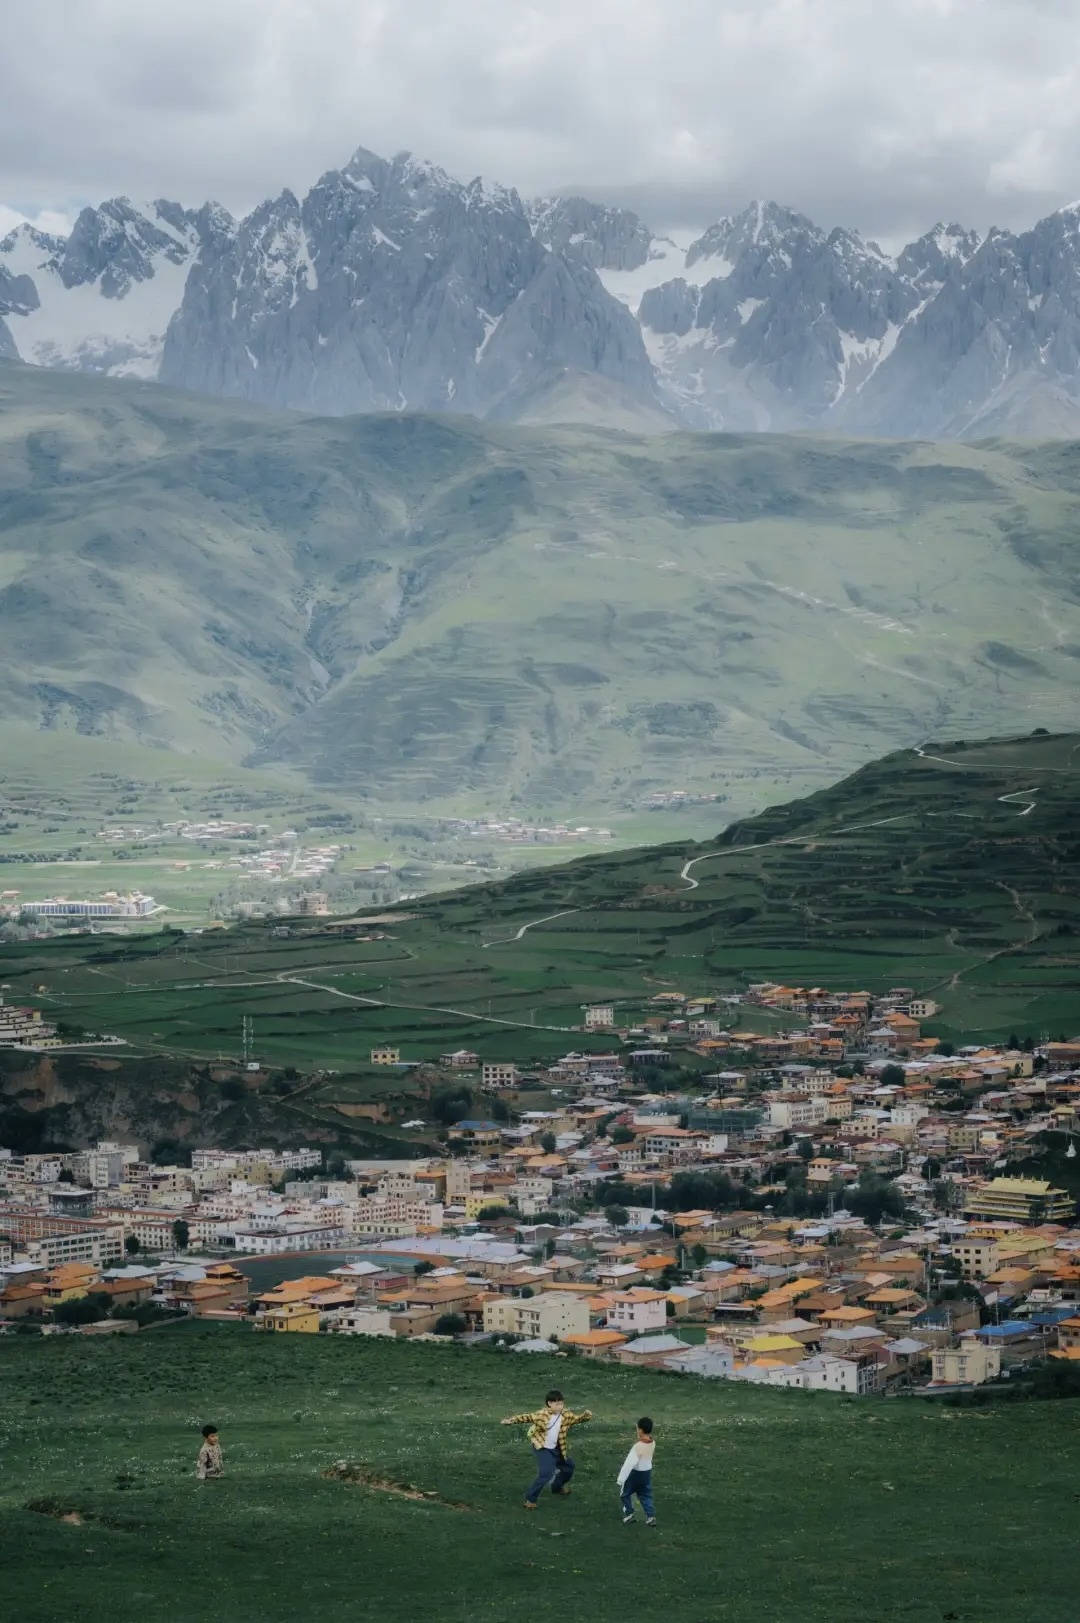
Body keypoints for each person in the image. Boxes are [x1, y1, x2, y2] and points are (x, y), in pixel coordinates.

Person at [501, 1388, 592, 1510]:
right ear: (549, 1403)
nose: (560, 1406)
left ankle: (557, 1487)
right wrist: (510, 1421)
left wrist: (586, 1416)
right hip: (542, 1448)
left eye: (561, 1403)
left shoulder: (566, 1415)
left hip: (557, 1448)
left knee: (569, 1466)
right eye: (557, 1403)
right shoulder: (542, 1414)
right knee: (546, 1473)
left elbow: (577, 1419)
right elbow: (526, 1417)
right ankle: (530, 1500)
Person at [617, 1416, 656, 1526]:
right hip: (646, 1474)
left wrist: (621, 1479)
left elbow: (629, 1464)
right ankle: (650, 1516)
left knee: (624, 1494)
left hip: (635, 1474)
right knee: (645, 1495)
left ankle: (629, 1514)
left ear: (640, 1430)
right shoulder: (653, 1443)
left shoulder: (637, 1447)